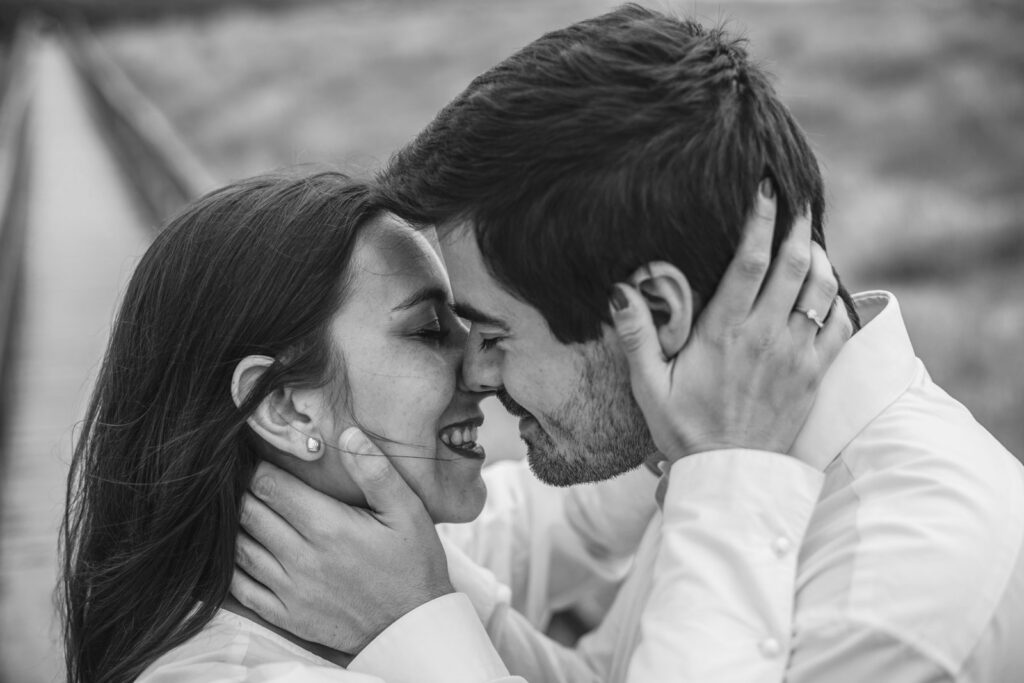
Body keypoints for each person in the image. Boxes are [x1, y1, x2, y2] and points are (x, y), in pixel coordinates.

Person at [233, 6, 1024, 683]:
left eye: (496, 332)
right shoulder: (720, 439)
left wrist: (409, 623)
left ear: (655, 312)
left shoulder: (897, 594)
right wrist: (423, 595)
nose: (475, 368)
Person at [59, 169, 839, 683]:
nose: (481, 368)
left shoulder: (394, 552)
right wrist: (419, 625)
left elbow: (575, 523)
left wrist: (705, 374)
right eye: (432, 331)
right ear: (287, 403)